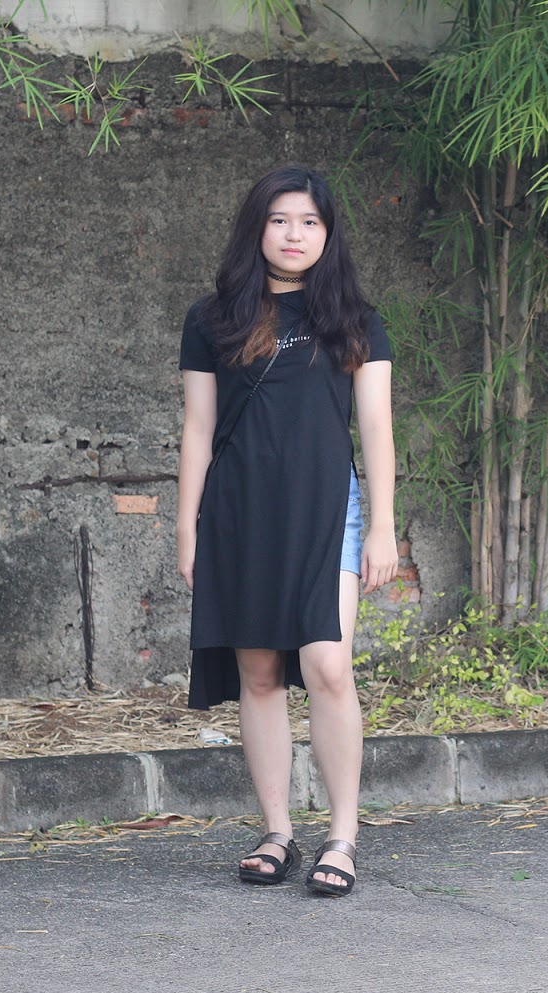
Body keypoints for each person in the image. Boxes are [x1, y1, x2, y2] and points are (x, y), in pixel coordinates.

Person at [176, 165, 396, 897]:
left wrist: (383, 527)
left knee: (328, 664)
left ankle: (343, 835)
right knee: (260, 672)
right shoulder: (213, 320)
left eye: (308, 221)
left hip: (328, 507)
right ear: (257, 228)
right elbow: (198, 429)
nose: (293, 234)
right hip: (240, 511)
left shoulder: (354, 320)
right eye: (279, 220)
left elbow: (376, 429)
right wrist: (187, 528)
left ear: (328, 234)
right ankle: (277, 831)